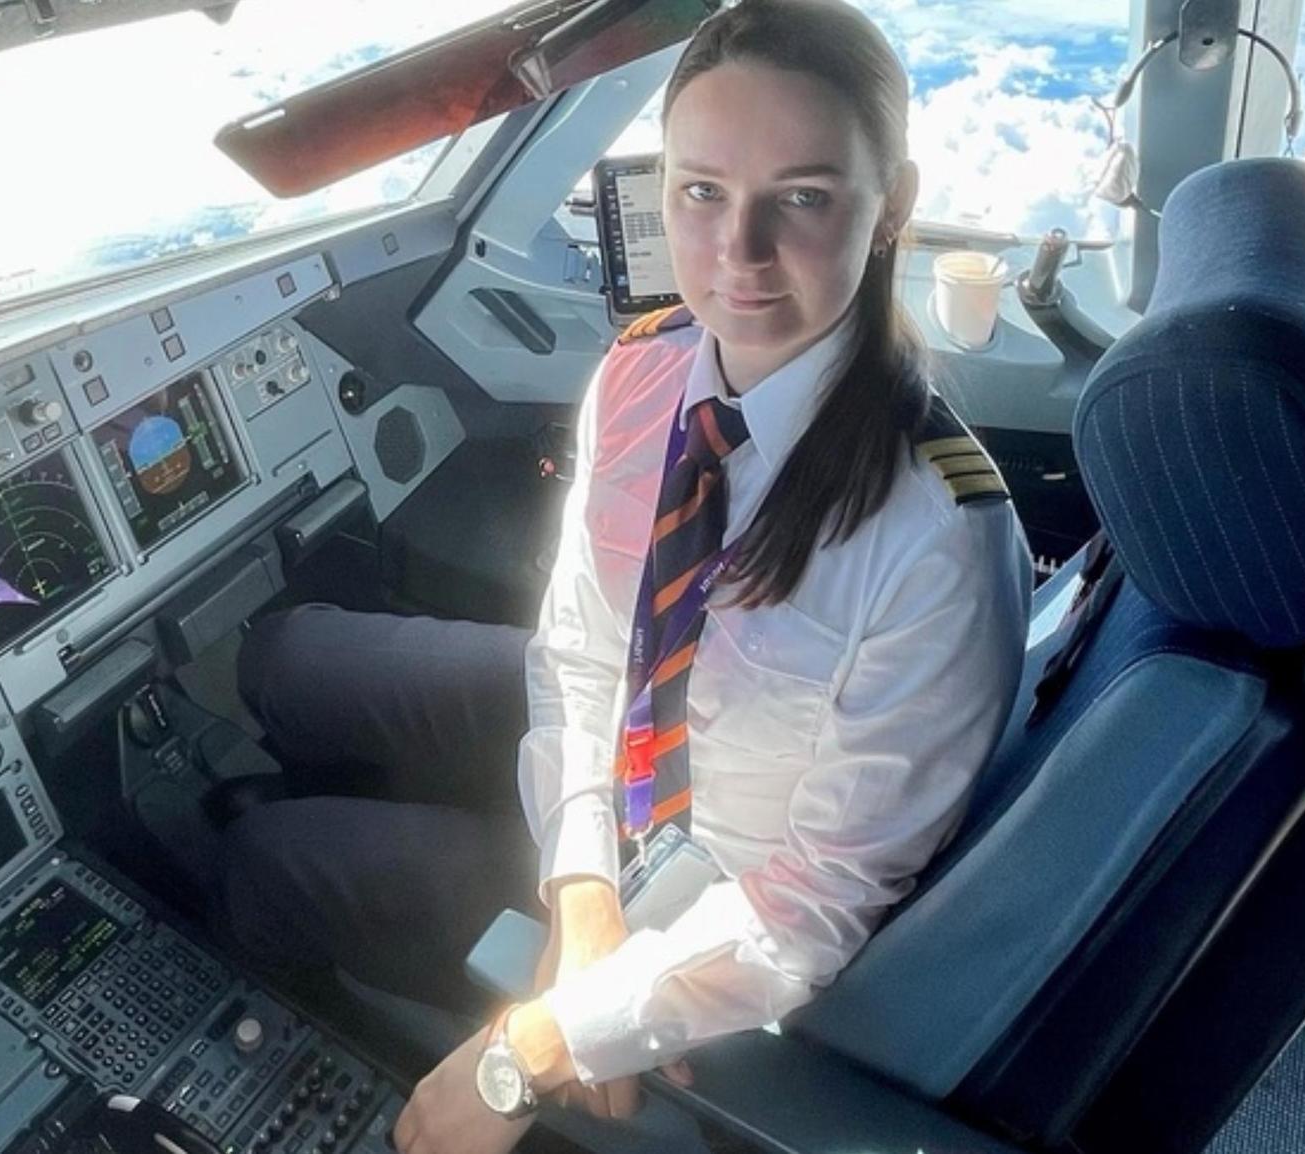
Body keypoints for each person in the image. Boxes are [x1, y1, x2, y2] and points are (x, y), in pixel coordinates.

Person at [212, 3, 1032, 1152]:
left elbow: (816, 903)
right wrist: (579, 883)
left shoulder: (941, 536)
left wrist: (550, 1034)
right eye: (702, 191)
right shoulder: (644, 373)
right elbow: (582, 647)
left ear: (892, 201)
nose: (738, 253)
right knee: (286, 655)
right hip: (614, 772)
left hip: (707, 895)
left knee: (271, 862)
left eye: (801, 198)